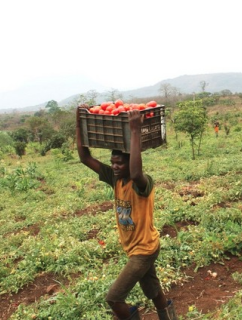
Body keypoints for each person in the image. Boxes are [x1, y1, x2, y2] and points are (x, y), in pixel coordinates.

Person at [76, 107, 177, 320]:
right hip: (136, 249)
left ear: (129, 162)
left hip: (144, 249)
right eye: (112, 162)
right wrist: (79, 121)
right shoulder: (116, 179)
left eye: (119, 163)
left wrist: (135, 131)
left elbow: (137, 171)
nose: (114, 166)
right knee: (153, 291)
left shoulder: (142, 183)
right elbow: (85, 157)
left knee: (114, 298)